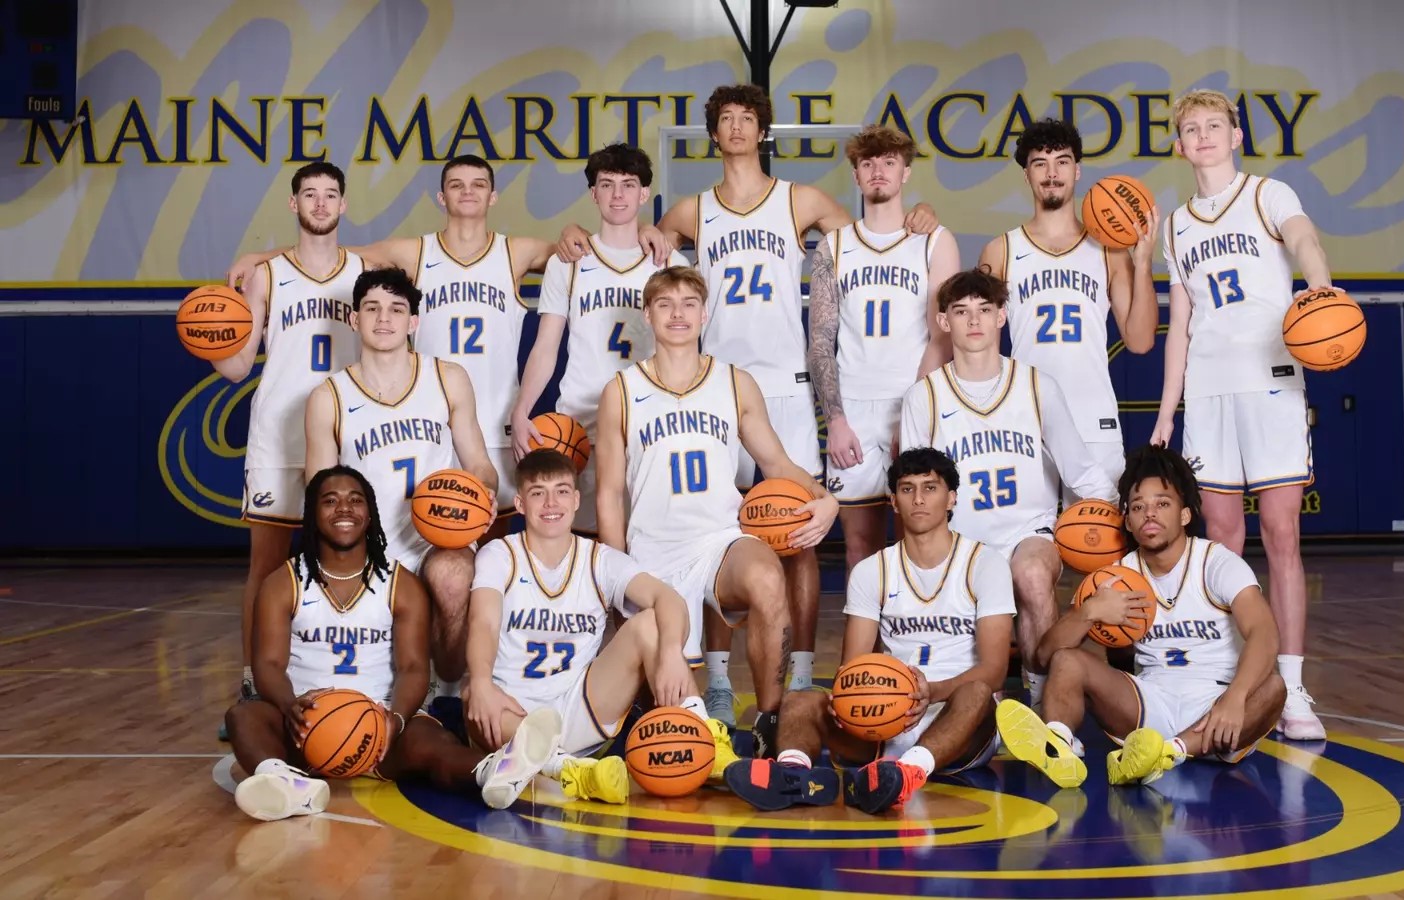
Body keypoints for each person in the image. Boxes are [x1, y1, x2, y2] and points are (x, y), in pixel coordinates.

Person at [565, 84, 938, 713]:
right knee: (718, 527)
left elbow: (871, 239)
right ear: (713, 133)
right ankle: (714, 676)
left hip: (783, 386)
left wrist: (918, 215)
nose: (737, 127)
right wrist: (591, 232)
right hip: (710, 387)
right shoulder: (692, 211)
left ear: (763, 132)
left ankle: (798, 674)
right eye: (726, 119)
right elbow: (643, 241)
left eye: (747, 118)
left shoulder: (801, 200)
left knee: (794, 533)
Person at [227, 155, 655, 529]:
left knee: (487, 544)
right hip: (427, 425)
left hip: (494, 426)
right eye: (456, 185)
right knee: (429, 541)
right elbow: (334, 249)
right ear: (440, 197)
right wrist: (259, 257)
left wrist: (639, 230)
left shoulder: (516, 251)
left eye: (478, 185)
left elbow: (588, 248)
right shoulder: (416, 252)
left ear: (493, 197)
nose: (467, 192)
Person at [594, 266, 840, 757]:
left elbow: (777, 463)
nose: (678, 314)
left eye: (689, 304)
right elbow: (607, 493)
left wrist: (825, 497)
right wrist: (614, 572)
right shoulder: (620, 391)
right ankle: (668, 716)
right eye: (665, 304)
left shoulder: (734, 382)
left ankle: (770, 720)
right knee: (674, 729)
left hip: (719, 540)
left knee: (767, 576)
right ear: (648, 315)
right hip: (653, 553)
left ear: (704, 314)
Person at [1152, 88, 1335, 740]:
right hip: (1206, 393)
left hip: (1270, 383)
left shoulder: (1267, 194)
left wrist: (1320, 286)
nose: (1202, 136)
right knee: (1222, 540)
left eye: (1214, 125)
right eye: (1191, 129)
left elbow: (1305, 237)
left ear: (1235, 136)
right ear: (1180, 145)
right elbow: (1179, 324)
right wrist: (1167, 412)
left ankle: (1292, 685)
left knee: (1282, 535)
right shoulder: (1175, 224)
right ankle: (1231, 677)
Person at [723, 447, 1013, 814]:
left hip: (957, 718)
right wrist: (849, 695)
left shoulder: (985, 564)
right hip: (884, 718)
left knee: (978, 692)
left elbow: (994, 670)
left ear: (952, 498)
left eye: (930, 488)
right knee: (800, 700)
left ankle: (908, 773)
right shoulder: (872, 571)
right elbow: (853, 664)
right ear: (893, 501)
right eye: (907, 489)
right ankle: (794, 776)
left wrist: (930, 692)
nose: (919, 499)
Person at [998, 444, 1288, 787]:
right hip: (1150, 703)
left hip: (1217, 705)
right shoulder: (1117, 576)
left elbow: (1264, 632)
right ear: (1128, 521)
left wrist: (1235, 698)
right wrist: (1088, 612)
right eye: (1138, 507)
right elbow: (1046, 656)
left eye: (1162, 504)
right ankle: (1058, 746)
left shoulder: (1216, 562)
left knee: (1274, 687)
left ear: (1184, 514)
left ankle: (1170, 752)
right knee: (1068, 660)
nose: (1149, 514)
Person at [463, 448, 741, 806]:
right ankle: (572, 772)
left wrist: (673, 652)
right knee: (472, 692)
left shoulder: (598, 559)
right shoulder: (500, 554)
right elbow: (483, 621)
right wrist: (481, 681)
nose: (551, 503)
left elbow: (667, 598)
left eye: (562, 491)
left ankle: (702, 736)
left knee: (651, 625)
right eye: (538, 493)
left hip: (579, 708)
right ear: (519, 504)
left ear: (577, 500)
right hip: (512, 714)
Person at [900, 268, 1118, 708]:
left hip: (1028, 533)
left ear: (1002, 316)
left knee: (1032, 574)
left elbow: (1081, 473)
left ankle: (1042, 704)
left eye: (984, 310)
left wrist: (1119, 520)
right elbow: (914, 494)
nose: (974, 320)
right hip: (959, 544)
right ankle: (987, 706)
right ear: (944, 321)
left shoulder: (1037, 386)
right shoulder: (924, 397)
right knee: (982, 701)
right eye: (961, 311)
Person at [224, 466, 491, 821]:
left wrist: (396, 719)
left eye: (355, 500)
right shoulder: (283, 583)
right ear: (312, 513)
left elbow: (413, 668)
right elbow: (268, 665)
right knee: (244, 716)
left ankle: (493, 773)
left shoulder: (401, 584)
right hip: (305, 729)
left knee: (431, 740)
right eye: (330, 501)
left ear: (370, 513)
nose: (344, 509)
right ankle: (285, 782)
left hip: (380, 728)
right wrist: (289, 706)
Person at [212, 161, 364, 736]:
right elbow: (236, 368)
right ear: (293, 204)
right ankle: (254, 682)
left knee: (352, 561)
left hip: (348, 431)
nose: (320, 203)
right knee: (267, 565)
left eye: (330, 195)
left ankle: (347, 680)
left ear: (343, 205)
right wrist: (206, 338)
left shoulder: (365, 271)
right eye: (310, 194)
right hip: (279, 433)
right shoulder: (267, 276)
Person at [303, 267, 499, 691]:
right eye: (371, 308)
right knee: (366, 686)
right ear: (354, 319)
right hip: (366, 544)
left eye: (396, 309)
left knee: (453, 574)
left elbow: (480, 465)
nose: (383, 318)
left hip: (437, 537)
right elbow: (319, 493)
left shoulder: (447, 378)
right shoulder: (328, 397)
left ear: (413, 322)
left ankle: (448, 687)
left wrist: (484, 494)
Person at [511, 143, 690, 536]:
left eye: (629, 185)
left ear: (645, 193)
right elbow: (546, 346)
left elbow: (686, 350)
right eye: (607, 185)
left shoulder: (670, 264)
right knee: (584, 538)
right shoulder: (568, 262)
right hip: (580, 421)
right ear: (593, 194)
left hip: (647, 417)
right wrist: (521, 410)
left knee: (647, 535)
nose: (618, 195)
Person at [807, 126, 958, 577]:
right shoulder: (833, 246)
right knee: (859, 547)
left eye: (889, 162)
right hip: (852, 411)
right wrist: (835, 421)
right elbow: (820, 343)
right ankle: (865, 629)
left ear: (905, 172)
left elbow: (943, 337)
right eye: (868, 163)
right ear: (856, 175)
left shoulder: (935, 240)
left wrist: (913, 413)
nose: (878, 171)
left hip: (913, 402)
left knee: (924, 538)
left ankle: (922, 625)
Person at [977, 118, 1160, 489]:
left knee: (1098, 525)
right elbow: (979, 349)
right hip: (1026, 420)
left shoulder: (1109, 251)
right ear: (1026, 175)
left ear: (1077, 171)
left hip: (1094, 421)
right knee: (1031, 527)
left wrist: (1142, 264)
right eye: (1039, 164)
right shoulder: (1001, 251)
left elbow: (1140, 341)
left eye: (1062, 161)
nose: (1051, 173)